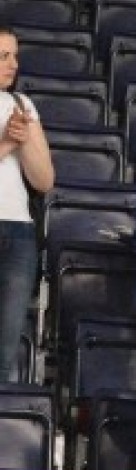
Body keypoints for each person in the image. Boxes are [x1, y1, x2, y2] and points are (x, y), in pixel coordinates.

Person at [0, 25, 53, 383]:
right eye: (3, 56)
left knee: (4, 350)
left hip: (18, 233)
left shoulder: (22, 105)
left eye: (15, 56)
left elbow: (44, 180)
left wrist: (25, 140)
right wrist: (5, 143)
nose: (13, 64)